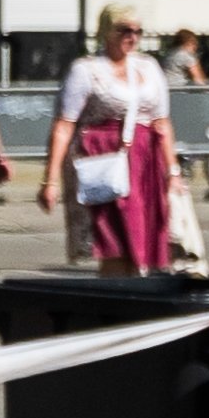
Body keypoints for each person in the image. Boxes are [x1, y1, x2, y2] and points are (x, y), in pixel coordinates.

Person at [58, 26, 176, 275]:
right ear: (106, 31)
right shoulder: (86, 69)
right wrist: (49, 179)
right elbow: (65, 124)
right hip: (105, 159)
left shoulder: (149, 66)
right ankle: (116, 303)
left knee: (144, 239)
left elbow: (162, 122)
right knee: (113, 241)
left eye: (138, 30)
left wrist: (173, 171)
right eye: (124, 30)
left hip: (146, 161)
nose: (132, 36)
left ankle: (138, 302)